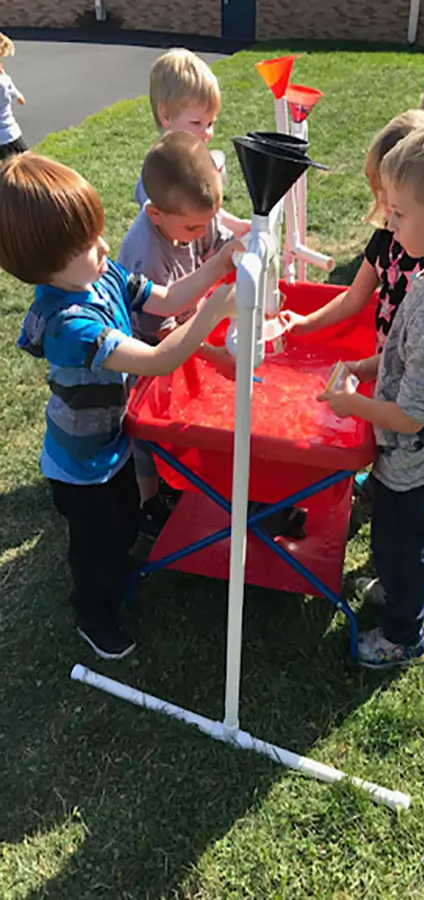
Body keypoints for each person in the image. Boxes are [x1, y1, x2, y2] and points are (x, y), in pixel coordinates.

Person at [0, 152, 240, 660]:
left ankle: (118, 561)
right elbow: (156, 359)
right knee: (97, 546)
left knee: (126, 518)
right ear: (46, 264)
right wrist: (214, 310)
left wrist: (218, 263)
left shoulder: (104, 275)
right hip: (81, 467)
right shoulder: (69, 325)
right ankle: (95, 613)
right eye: (87, 243)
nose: (105, 246)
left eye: (97, 232)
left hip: (116, 441)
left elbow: (170, 298)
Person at [318, 114, 424, 669]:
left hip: (414, 462)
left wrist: (353, 404)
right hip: (405, 457)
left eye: (397, 214)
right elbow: (404, 356)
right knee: (391, 540)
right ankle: (391, 589)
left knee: (403, 546)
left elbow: (412, 416)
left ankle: (403, 634)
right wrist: (369, 365)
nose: (388, 225)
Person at [118, 131, 237, 533]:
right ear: (156, 214)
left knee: (185, 410)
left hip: (184, 328)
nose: (201, 231)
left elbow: (215, 243)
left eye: (208, 220)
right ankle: (148, 499)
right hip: (147, 351)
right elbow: (162, 332)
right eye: (192, 226)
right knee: (148, 433)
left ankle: (184, 470)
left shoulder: (193, 215)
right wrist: (215, 354)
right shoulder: (145, 254)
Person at [284, 110, 424, 352]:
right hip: (382, 363)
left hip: (414, 372)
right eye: (378, 192)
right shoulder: (385, 240)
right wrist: (306, 323)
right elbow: (353, 299)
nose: (383, 202)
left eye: (390, 195)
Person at [136, 48, 249, 238]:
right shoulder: (159, 175)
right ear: (166, 116)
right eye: (197, 123)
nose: (208, 133)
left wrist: (234, 225)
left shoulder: (195, 163)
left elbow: (204, 212)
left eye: (211, 123)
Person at [0, 32, 26, 161]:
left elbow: (8, 85)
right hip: (9, 135)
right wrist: (18, 96)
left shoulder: (3, 82)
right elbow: (8, 85)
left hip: (7, 135)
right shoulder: (4, 80)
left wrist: (18, 95)